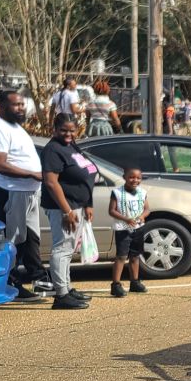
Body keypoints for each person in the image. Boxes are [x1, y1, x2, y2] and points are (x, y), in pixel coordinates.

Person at [0, 91, 47, 302]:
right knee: (13, 240)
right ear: (2, 106)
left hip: (29, 191)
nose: (21, 108)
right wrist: (32, 173)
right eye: (16, 105)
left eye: (23, 104)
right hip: (10, 190)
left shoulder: (15, 127)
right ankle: (11, 282)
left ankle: (41, 282)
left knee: (31, 239)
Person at [41, 113, 98, 309]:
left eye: (71, 130)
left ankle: (67, 287)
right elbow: (51, 182)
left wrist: (88, 203)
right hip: (63, 208)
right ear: (54, 129)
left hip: (77, 205)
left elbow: (87, 174)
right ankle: (61, 295)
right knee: (62, 248)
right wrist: (66, 210)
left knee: (69, 249)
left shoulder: (71, 145)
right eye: (63, 130)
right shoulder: (52, 150)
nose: (68, 134)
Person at [108, 168, 149, 298]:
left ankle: (135, 282)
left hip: (138, 228)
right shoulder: (117, 193)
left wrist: (143, 216)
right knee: (121, 256)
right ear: (124, 177)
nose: (135, 180)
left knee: (135, 256)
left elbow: (147, 209)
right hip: (123, 229)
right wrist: (126, 219)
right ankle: (116, 284)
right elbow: (112, 210)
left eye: (138, 178)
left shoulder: (142, 193)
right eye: (131, 177)